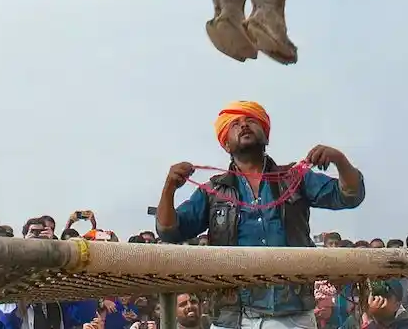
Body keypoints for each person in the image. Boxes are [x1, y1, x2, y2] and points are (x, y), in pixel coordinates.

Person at [155, 101, 365, 329]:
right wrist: (169, 187)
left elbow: (350, 196)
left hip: (292, 316)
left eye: (251, 120)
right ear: (226, 143)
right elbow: (169, 231)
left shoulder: (294, 178)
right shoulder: (212, 191)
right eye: (235, 123)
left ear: (265, 135)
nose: (244, 125)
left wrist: (339, 160)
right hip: (231, 319)